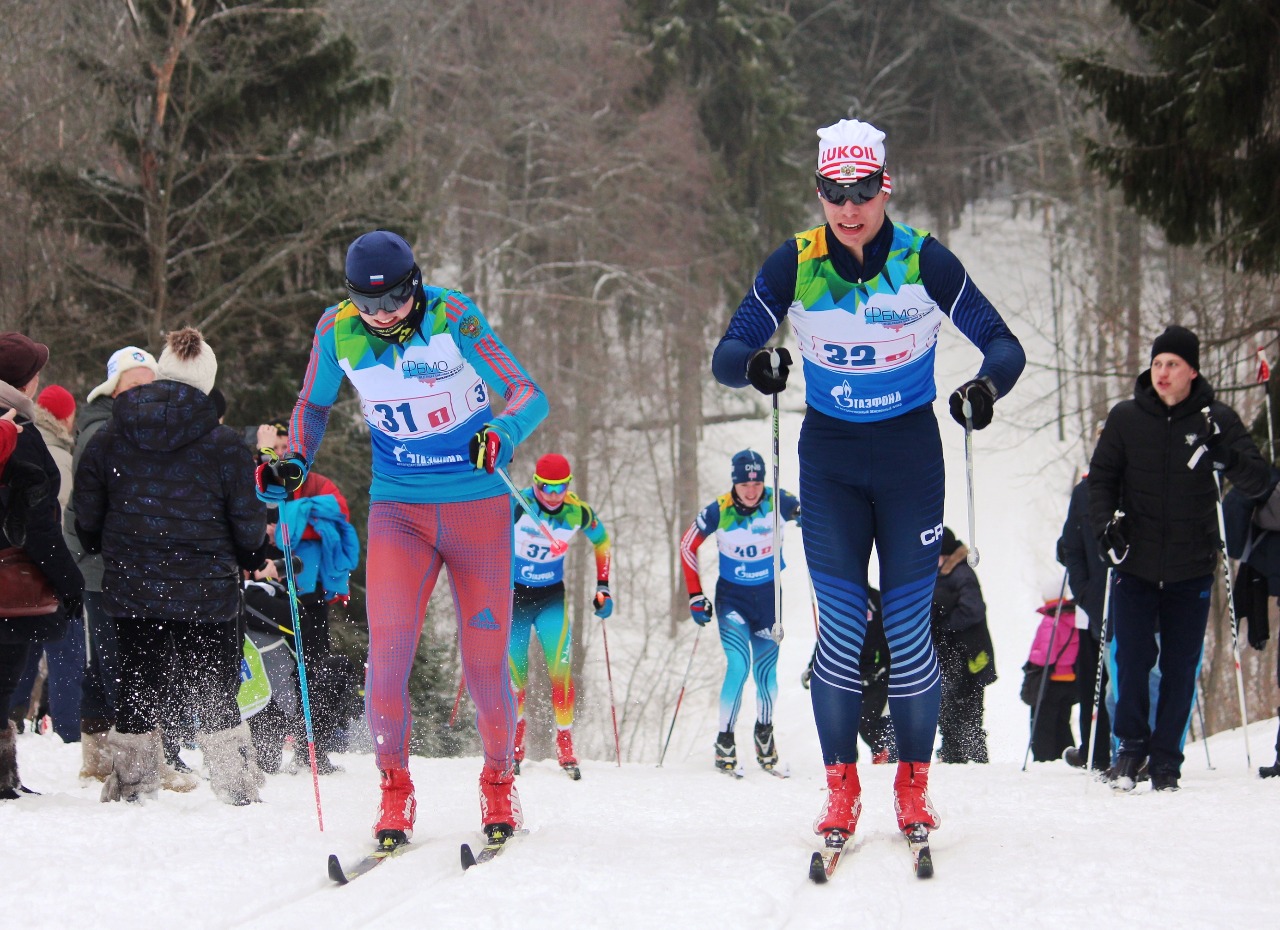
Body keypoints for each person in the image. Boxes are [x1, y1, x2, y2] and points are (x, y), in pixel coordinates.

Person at [711, 118, 1025, 842]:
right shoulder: (794, 263)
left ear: (884, 186)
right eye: (832, 191)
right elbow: (728, 353)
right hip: (832, 464)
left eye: (860, 190)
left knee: (911, 634)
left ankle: (912, 790)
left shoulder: (924, 262)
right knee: (843, 632)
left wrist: (985, 388)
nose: (848, 207)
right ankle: (841, 791)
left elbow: (1003, 344)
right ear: (818, 189)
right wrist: (757, 365)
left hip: (910, 457)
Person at [262, 229, 547, 849]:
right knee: (386, 660)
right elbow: (311, 409)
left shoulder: (452, 314)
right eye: (369, 306)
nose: (383, 316)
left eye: (393, 301)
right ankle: (395, 792)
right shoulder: (336, 330)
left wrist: (501, 431)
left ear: (414, 286)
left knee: (483, 668)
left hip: (476, 508)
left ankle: (499, 781)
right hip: (400, 510)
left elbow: (529, 392)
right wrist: (294, 465)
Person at [75, 328, 269, 805]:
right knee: (216, 684)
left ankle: (133, 782)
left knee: (138, 680)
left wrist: (103, 544)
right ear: (206, 382)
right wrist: (251, 556)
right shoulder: (224, 444)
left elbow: (87, 511)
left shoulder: (112, 435)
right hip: (206, 586)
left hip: (133, 581)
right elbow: (247, 520)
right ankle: (235, 784)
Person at [1089, 324, 1268, 791]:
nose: (1162, 372)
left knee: (1180, 664)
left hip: (1191, 565)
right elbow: (1101, 480)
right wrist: (1105, 525)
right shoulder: (1126, 418)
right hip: (1135, 560)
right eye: (1157, 363)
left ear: (1192, 370)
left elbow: (1260, 482)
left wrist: (1224, 454)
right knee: (1131, 659)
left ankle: (1166, 758)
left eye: (1172, 364)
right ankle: (1129, 750)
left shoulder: (1216, 420)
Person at [679, 449, 801, 774]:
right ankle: (725, 739)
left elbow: (812, 514)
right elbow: (686, 544)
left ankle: (764, 732)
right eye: (745, 483)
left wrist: (807, 518)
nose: (752, 490)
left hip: (769, 601)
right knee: (739, 664)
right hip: (733, 600)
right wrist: (695, 596)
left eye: (757, 482)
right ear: (735, 483)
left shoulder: (780, 500)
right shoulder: (719, 510)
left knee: (767, 675)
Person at [0, 333, 85, 798]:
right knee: (4, 675)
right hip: (10, 583)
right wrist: (67, 581)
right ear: (24, 382)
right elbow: (37, 523)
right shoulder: (20, 434)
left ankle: (4, 775)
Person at [508, 452, 612, 780]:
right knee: (516, 679)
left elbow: (603, 543)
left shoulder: (577, 511)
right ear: (535, 484)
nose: (553, 496)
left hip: (551, 598)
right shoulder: (518, 504)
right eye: (546, 488)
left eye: (560, 488)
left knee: (560, 672)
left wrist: (604, 587)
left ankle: (565, 743)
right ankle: (515, 745)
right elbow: (483, 534)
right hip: (514, 599)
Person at [1057, 470, 1112, 770]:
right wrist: (1087, 592)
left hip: (1116, 600)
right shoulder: (1085, 490)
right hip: (1088, 609)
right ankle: (1092, 747)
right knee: (1091, 680)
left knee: (1108, 682)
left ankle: (1109, 747)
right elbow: (1067, 546)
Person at [930, 528, 997, 763]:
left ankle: (973, 756)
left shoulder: (960, 573)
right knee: (947, 705)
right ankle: (952, 753)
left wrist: (944, 625)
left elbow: (974, 609)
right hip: (951, 652)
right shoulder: (945, 574)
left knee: (967, 707)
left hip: (967, 653)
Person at [1023, 588, 1079, 762]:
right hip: (1069, 680)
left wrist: (1033, 655)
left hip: (1050, 681)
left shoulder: (1051, 621)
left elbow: (1047, 656)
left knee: (1042, 723)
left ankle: (1043, 758)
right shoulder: (1075, 619)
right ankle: (1064, 755)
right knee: (1063, 721)